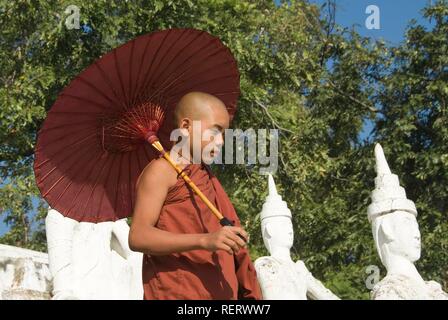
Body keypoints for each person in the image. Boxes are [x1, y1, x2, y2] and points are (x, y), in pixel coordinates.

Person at [129, 91, 262, 300]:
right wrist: (204, 240)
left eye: (224, 135)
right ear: (186, 127)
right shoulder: (161, 171)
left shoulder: (206, 178)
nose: (220, 142)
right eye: (215, 131)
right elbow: (138, 236)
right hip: (180, 293)